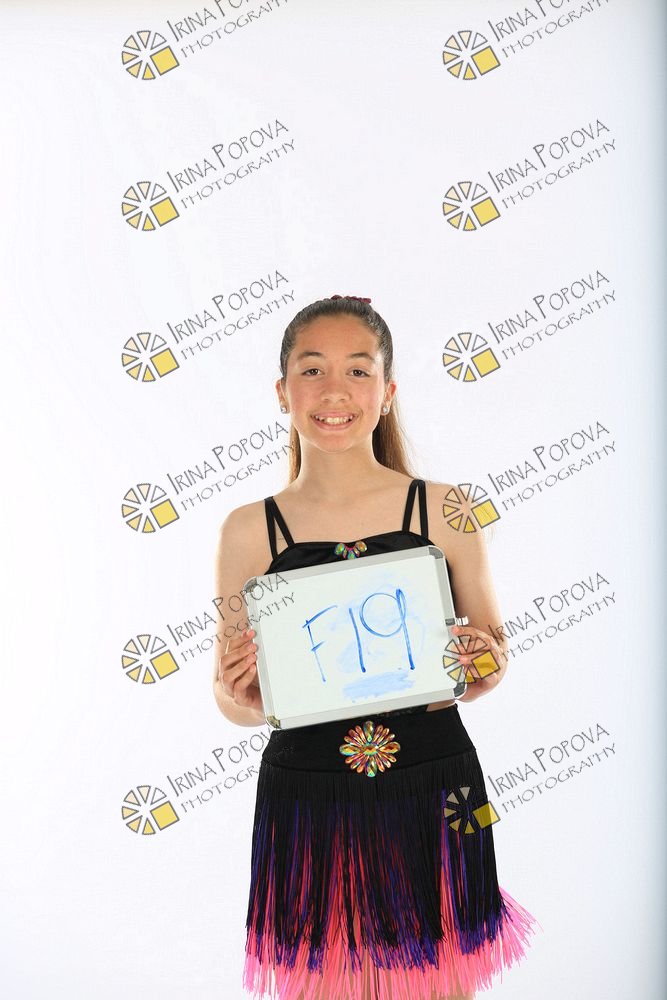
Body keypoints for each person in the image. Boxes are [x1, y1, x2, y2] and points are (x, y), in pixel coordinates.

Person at [212, 295, 540, 1000]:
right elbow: (232, 698)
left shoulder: (446, 509)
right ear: (282, 391)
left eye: (358, 371)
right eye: (312, 370)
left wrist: (480, 660)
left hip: (437, 780)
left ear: (387, 393)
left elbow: (491, 658)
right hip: (309, 789)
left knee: (442, 983)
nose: (335, 391)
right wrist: (241, 693)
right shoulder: (248, 530)